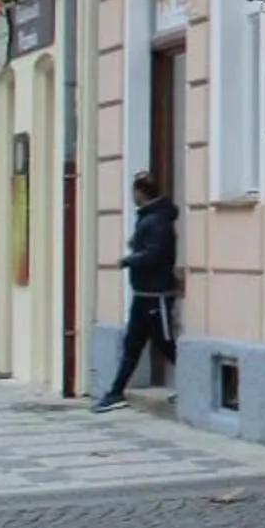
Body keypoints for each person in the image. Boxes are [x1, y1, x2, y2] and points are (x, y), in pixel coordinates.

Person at [94, 172, 179, 411]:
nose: (132, 196)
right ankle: (115, 392)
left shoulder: (158, 219)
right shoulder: (149, 218)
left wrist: (129, 260)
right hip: (143, 295)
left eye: (133, 191)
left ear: (140, 192)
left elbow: (157, 254)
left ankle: (192, 386)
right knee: (132, 345)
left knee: (165, 344)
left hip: (157, 295)